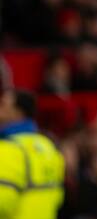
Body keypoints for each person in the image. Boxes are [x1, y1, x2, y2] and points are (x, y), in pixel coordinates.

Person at [0, 88, 64, 219]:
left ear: (18, 113)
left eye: (3, 105)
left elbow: (3, 203)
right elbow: (59, 196)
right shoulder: (47, 145)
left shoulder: (10, 148)